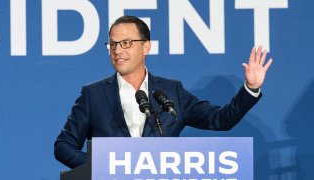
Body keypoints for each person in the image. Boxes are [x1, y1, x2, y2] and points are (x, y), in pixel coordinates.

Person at [54, 15, 272, 169]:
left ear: (146, 47)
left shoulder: (171, 92)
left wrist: (250, 87)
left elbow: (220, 120)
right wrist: (103, 168)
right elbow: (64, 146)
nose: (117, 50)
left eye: (126, 43)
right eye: (112, 44)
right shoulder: (93, 94)